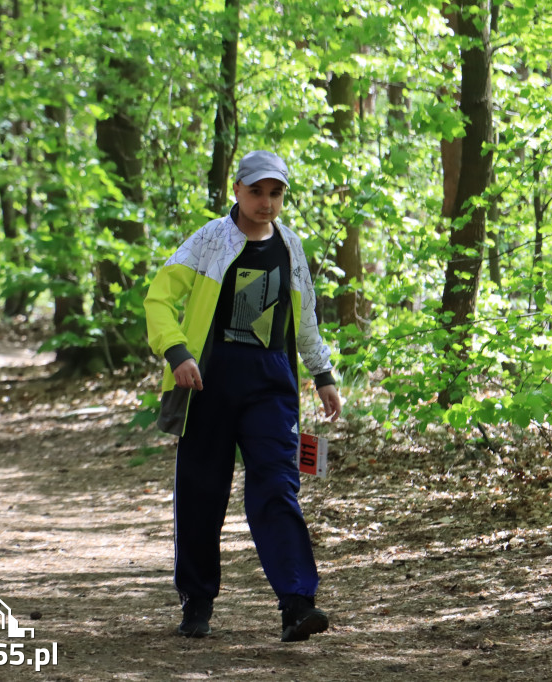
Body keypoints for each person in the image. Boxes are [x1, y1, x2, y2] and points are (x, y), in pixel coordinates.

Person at [144, 150, 341, 642]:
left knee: (278, 487)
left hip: (271, 384)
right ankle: (197, 599)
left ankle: (297, 603)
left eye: (275, 194)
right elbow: (159, 297)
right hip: (207, 380)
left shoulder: (292, 247)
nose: (266, 203)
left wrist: (322, 374)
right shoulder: (211, 240)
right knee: (201, 492)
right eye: (256, 192)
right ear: (236, 190)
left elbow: (307, 319)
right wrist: (176, 351)